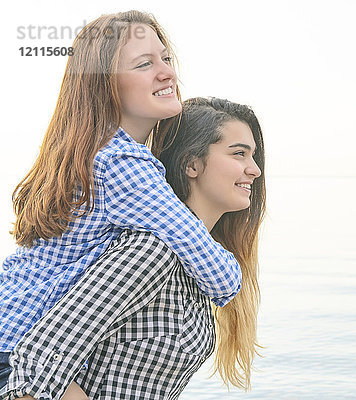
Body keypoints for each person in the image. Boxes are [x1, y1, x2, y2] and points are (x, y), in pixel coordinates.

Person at [0, 11, 242, 400]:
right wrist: (232, 268)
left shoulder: (84, 152)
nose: (166, 72)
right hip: (21, 361)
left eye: (164, 58)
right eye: (144, 64)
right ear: (105, 86)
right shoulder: (123, 164)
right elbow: (220, 274)